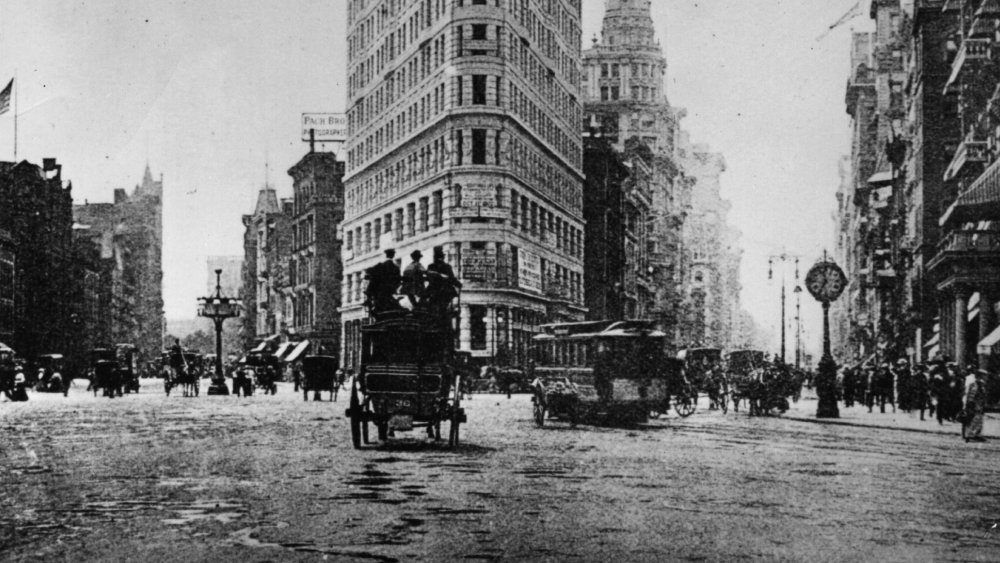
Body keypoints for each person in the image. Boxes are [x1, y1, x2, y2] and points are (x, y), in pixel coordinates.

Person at [424, 246, 462, 314]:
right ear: (443, 257)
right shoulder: (447, 267)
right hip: (444, 291)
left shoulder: (431, 266)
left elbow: (428, 277)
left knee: (432, 306)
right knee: (444, 308)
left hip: (433, 291)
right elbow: (452, 279)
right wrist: (459, 285)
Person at [365, 249, 403, 315]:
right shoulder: (395, 268)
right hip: (390, 293)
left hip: (379, 295)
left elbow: (369, 273)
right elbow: (398, 280)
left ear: (386, 255)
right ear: (393, 255)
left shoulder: (380, 266)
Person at [962, 368, 989, 442]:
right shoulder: (973, 384)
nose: (985, 377)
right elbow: (969, 395)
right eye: (984, 375)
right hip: (973, 404)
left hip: (979, 404)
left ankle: (976, 434)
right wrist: (967, 405)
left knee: (979, 419)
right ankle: (970, 435)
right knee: (972, 419)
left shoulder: (981, 384)